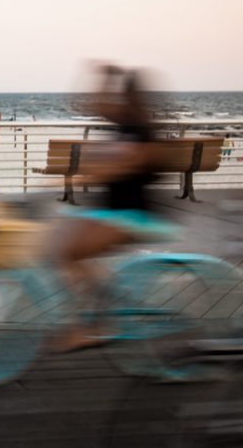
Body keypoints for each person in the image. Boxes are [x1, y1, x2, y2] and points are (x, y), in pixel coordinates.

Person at [49, 63, 176, 351]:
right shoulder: (124, 124)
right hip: (110, 212)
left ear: (132, 97)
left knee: (71, 255)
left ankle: (97, 325)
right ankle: (104, 298)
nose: (113, 100)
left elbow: (128, 165)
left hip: (136, 216)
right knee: (61, 250)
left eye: (120, 94)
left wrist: (86, 175)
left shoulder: (145, 132)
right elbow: (87, 105)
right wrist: (105, 77)